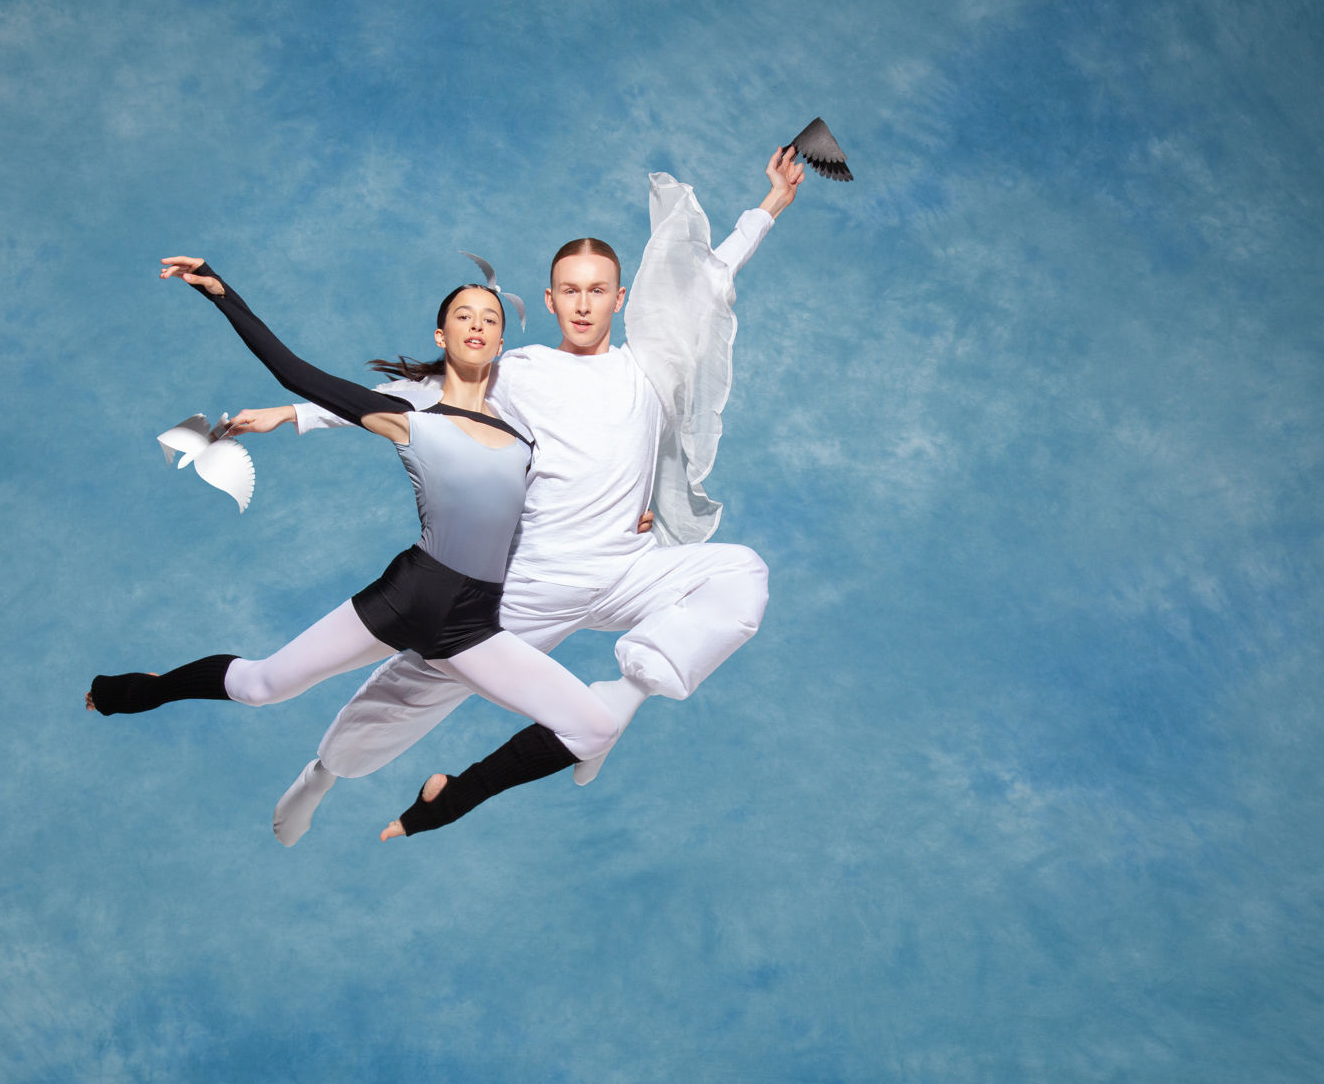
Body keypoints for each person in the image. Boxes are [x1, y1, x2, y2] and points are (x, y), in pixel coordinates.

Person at [231, 148, 805, 843]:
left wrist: (770, 204)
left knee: (740, 574)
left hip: (627, 568)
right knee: (410, 693)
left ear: (621, 299)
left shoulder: (647, 366)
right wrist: (292, 415)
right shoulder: (520, 372)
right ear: (554, 297)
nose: (585, 303)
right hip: (532, 584)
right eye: (571, 290)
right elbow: (414, 400)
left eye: (599, 290)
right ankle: (323, 772)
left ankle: (621, 699)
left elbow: (710, 278)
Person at [87, 262, 620, 841]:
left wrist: (639, 515)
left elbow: (569, 503)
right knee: (260, 687)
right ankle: (138, 690)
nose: (477, 324)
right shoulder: (409, 418)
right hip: (408, 595)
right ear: (442, 337)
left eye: (490, 319)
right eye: (462, 316)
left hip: (471, 625)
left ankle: (445, 796)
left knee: (594, 727)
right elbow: (294, 372)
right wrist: (221, 291)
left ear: (499, 340)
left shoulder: (524, 439)